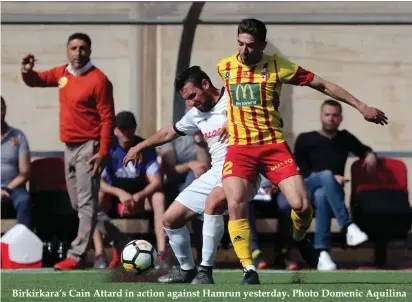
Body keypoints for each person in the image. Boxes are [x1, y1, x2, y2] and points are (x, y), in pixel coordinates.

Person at [216, 18, 388, 284]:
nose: (243, 50)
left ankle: (299, 239)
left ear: (262, 44)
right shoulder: (224, 66)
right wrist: (227, 120)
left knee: (302, 206)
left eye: (250, 46)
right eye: (239, 43)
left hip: (273, 146)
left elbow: (323, 85)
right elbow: (228, 96)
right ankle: (249, 268)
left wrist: (361, 106)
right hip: (240, 149)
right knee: (235, 202)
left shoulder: (278, 66)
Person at [123, 66, 259, 284]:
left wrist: (235, 125)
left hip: (242, 170)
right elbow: (169, 132)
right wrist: (139, 146)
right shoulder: (196, 113)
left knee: (213, 203)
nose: (193, 102)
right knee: (170, 219)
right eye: (188, 99)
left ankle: (206, 270)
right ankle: (188, 270)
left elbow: (265, 115)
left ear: (205, 84)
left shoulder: (234, 98)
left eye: (193, 95)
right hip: (216, 172)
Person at [21, 32, 128, 270]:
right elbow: (36, 80)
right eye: (73, 48)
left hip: (89, 147)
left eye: (82, 48)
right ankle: (121, 242)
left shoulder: (99, 80)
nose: (78, 53)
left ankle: (77, 254)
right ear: (67, 51)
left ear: (89, 51)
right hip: (68, 147)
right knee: (79, 204)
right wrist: (27, 71)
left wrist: (102, 152)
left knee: (87, 203)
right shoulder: (62, 74)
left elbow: (108, 119)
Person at [289, 99, 372, 270]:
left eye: (335, 115)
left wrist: (370, 154)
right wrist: (330, 178)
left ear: (340, 118)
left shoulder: (345, 138)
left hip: (330, 192)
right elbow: (300, 169)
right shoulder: (306, 139)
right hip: (306, 188)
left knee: (322, 196)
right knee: (326, 176)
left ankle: (322, 254)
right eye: (327, 115)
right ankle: (347, 226)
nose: (331, 118)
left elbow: (364, 149)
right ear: (321, 116)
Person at [93, 111, 166, 268]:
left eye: (129, 128)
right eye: (122, 128)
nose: (126, 132)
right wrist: (120, 194)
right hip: (114, 195)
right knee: (95, 196)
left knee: (158, 196)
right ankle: (99, 254)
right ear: (116, 130)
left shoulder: (144, 147)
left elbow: (156, 181)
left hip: (139, 196)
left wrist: (138, 196)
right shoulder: (108, 148)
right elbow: (99, 181)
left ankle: (162, 254)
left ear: (135, 128)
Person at [1, 97, 32, 229]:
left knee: (24, 200)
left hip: (14, 188)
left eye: (0, 109)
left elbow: (25, 172)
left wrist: (7, 189)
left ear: (5, 110)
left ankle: (22, 242)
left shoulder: (18, 136)